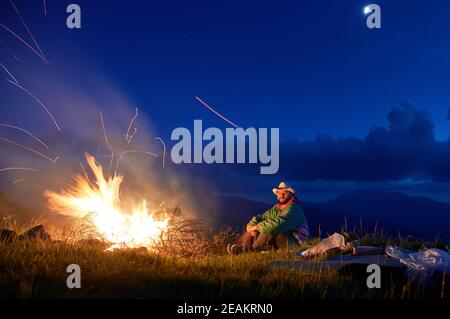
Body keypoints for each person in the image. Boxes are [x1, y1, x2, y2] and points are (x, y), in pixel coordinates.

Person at [228, 182, 309, 254]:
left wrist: (257, 227)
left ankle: (247, 249)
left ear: (291, 195)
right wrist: (251, 226)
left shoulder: (294, 208)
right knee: (259, 228)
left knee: (272, 228)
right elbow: (261, 217)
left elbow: (280, 223)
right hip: (279, 240)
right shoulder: (277, 208)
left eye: (285, 192)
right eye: (279, 193)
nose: (281, 195)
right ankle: (243, 247)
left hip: (295, 244)